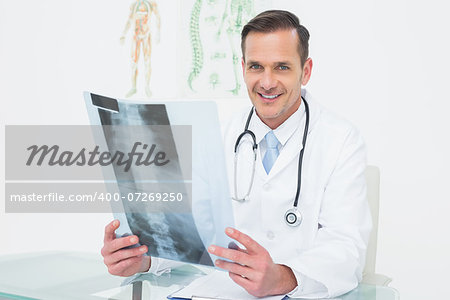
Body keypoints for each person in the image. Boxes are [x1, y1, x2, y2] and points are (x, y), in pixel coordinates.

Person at [102, 10, 372, 298]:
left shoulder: (341, 140)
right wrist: (143, 257)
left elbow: (346, 246)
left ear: (306, 71)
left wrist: (282, 276)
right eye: (256, 66)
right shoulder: (220, 135)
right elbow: (195, 235)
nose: (267, 82)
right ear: (243, 67)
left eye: (282, 67)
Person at [120, 0, 161, 98]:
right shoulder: (134, 5)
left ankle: (147, 86)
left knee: (147, 62)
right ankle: (133, 87)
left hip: (146, 35)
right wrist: (124, 34)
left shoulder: (151, 3)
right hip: (136, 35)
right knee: (134, 62)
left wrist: (158, 33)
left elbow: (158, 17)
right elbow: (130, 20)